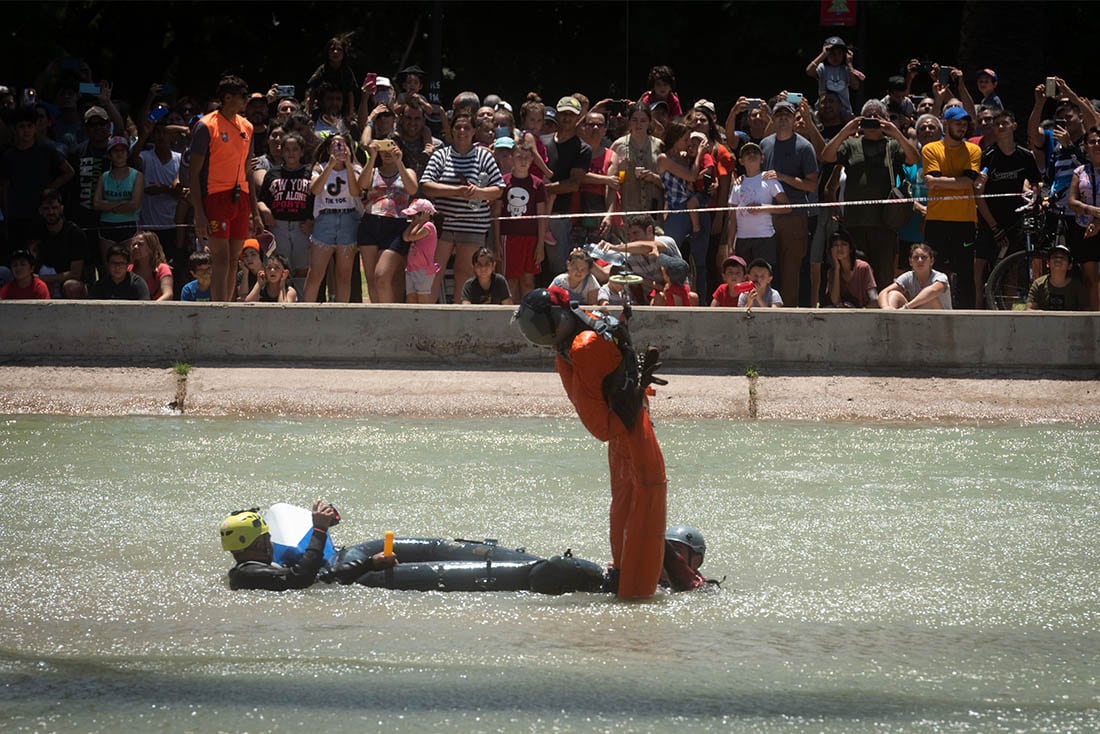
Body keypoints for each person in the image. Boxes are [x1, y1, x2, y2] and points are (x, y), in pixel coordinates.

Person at [514, 287, 668, 598]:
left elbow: (601, 428)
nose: (540, 337)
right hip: (631, 429)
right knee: (626, 504)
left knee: (640, 503)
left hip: (628, 432)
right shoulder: (590, 325)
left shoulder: (583, 347)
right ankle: (624, 581)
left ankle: (634, 601)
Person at [820, 100, 920, 293]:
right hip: (855, 222)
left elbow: (914, 159)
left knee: (883, 277)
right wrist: (845, 131)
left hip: (885, 222)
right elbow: (826, 156)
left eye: (877, 116)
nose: (873, 119)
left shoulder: (892, 145)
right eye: (869, 115)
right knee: (857, 274)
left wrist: (895, 132)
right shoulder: (851, 144)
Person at [189, 75, 263, 302]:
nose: (245, 101)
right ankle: (217, 309)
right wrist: (199, 213)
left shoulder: (247, 127)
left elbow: (248, 171)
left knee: (233, 259)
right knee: (220, 258)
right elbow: (193, 172)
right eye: (242, 96)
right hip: (215, 197)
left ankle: (227, 306)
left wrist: (255, 212)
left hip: (241, 197)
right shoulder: (206, 125)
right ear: (227, 97)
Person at [419, 112, 505, 303]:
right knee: (433, 271)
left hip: (473, 224)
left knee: (464, 273)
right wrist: (456, 191)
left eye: (467, 127)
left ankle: (459, 319)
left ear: (474, 131)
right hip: (443, 225)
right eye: (458, 127)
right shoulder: (441, 154)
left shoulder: (485, 157)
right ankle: (426, 316)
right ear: (451, 130)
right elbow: (426, 185)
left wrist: (478, 193)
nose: (462, 131)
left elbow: (498, 189)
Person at [220, 501, 384, 591]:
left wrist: (369, 564)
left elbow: (319, 576)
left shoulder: (256, 569)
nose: (271, 542)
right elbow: (302, 578)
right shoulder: (248, 574)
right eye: (267, 537)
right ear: (257, 544)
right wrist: (319, 530)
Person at [975, 109, 1041, 309]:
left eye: (1004, 123)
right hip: (989, 222)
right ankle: (977, 310)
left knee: (1011, 271)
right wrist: (994, 228)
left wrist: (1032, 195)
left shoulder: (1026, 156)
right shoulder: (988, 156)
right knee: (978, 268)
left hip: (1015, 222)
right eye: (997, 124)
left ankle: (1008, 314)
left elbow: (1037, 184)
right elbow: (979, 195)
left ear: (1014, 126)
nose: (1000, 127)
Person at [922, 106, 982, 308]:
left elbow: (968, 182)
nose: (962, 127)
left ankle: (966, 312)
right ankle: (935, 309)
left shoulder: (973, 150)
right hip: (936, 219)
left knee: (965, 272)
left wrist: (941, 182)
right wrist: (958, 181)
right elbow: (931, 183)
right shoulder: (931, 149)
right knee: (936, 271)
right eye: (957, 123)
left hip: (964, 220)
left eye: (964, 124)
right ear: (945, 124)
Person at [760, 101, 819, 306]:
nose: (783, 118)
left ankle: (788, 314)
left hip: (794, 216)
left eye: (787, 115)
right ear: (773, 119)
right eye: (778, 115)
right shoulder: (764, 144)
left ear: (794, 119)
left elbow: (812, 185)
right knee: (766, 268)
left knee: (790, 270)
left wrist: (783, 177)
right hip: (766, 216)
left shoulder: (804, 146)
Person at [1, 106, 74, 251]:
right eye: (22, 126)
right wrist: (6, 215)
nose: (26, 130)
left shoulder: (47, 151)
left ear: (35, 128)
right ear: (15, 129)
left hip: (43, 214)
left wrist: (49, 189)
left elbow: (69, 172)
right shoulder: (8, 156)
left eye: (29, 126)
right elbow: (4, 187)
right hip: (17, 215)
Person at [356, 138, 418, 303]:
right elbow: (362, 184)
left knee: (382, 275)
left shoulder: (408, 171)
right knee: (371, 279)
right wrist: (372, 156)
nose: (387, 152)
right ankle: (379, 317)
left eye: (391, 146)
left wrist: (399, 162)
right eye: (384, 148)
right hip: (370, 222)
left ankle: (390, 318)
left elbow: (412, 188)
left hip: (396, 225)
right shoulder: (374, 170)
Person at [303, 133, 361, 303]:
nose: (339, 149)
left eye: (342, 145)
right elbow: (315, 190)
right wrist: (330, 165)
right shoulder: (319, 168)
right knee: (315, 273)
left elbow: (355, 192)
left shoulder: (355, 168)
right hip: (325, 219)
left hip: (348, 218)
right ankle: (305, 314)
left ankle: (341, 313)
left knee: (344, 275)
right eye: (335, 145)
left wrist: (348, 165)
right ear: (328, 149)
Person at [656, 123, 712, 290]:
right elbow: (691, 176)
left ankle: (699, 298)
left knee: (699, 260)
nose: (688, 143)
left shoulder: (685, 156)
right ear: (675, 139)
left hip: (694, 206)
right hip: (677, 211)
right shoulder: (664, 159)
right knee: (669, 256)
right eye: (685, 139)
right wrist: (700, 153)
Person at [257, 131, 313, 294]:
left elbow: (317, 200)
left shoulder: (309, 174)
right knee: (276, 267)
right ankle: (276, 299)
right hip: (277, 226)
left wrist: (311, 221)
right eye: (287, 149)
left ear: (302, 152)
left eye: (295, 149)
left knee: (302, 269)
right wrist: (264, 209)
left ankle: (301, 303)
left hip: (301, 227)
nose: (291, 153)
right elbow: (261, 199)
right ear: (281, 151)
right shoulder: (272, 174)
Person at [493, 137, 547, 301]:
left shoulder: (538, 184)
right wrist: (496, 243)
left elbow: (541, 216)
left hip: (531, 238)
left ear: (532, 159)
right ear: (512, 158)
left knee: (528, 281)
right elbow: (496, 214)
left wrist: (540, 245)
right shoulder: (503, 182)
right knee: (511, 281)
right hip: (509, 237)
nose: (523, 161)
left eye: (526, 157)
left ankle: (528, 314)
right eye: (519, 157)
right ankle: (510, 315)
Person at [722, 141, 789, 269]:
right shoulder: (738, 184)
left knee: (764, 277)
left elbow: (787, 207)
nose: (751, 154)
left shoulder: (769, 179)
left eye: (755, 152)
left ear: (762, 158)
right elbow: (732, 218)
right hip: (742, 239)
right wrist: (730, 246)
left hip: (765, 238)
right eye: (747, 153)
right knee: (745, 277)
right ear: (741, 161)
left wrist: (763, 208)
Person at [93, 135, 143, 267]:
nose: (119, 154)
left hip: (129, 225)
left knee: (130, 265)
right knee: (109, 265)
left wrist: (109, 206)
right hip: (107, 226)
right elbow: (97, 203)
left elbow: (135, 204)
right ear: (110, 155)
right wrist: (122, 204)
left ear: (127, 153)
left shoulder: (136, 175)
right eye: (115, 151)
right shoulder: (104, 177)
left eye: (122, 150)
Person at [1066, 125, 1100, 311]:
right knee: (1090, 279)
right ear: (1086, 146)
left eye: (1099, 141)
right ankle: (1096, 321)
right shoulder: (1080, 171)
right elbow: (1072, 202)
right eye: (1092, 142)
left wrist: (1099, 222)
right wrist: (1093, 211)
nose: (1097, 145)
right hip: (1085, 229)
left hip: (1096, 226)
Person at [27, 188, 84, 298]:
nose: (51, 212)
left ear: (61, 209)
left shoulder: (75, 233)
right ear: (40, 210)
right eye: (46, 209)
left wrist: (43, 279)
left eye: (54, 208)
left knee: (71, 286)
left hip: (65, 282)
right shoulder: (35, 232)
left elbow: (75, 273)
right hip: (41, 280)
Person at [879, 242, 952, 309]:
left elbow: (932, 291)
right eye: (916, 257)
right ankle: (889, 319)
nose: (919, 260)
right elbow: (885, 292)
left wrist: (906, 307)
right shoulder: (908, 276)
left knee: (930, 299)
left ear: (931, 261)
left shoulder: (940, 277)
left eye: (924, 257)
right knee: (893, 294)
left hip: (941, 320)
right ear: (910, 262)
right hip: (915, 316)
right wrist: (886, 307)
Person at [805, 36, 863, 116]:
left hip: (843, 111)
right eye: (832, 53)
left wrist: (849, 64)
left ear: (844, 55)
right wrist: (823, 55)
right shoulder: (822, 68)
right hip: (824, 110)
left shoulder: (846, 69)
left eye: (839, 53)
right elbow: (809, 71)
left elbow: (855, 86)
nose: (836, 56)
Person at [1026, 243, 1089, 311]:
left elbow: (1085, 312)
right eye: (1054, 257)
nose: (1058, 259)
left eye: (1062, 257)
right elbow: (1029, 310)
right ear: (1048, 263)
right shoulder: (1038, 284)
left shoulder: (1077, 286)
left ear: (1069, 266)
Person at [825, 230, 878, 308]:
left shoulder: (863, 267)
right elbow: (835, 301)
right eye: (835, 245)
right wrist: (837, 269)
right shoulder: (832, 272)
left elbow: (874, 299)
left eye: (843, 244)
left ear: (850, 249)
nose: (839, 248)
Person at [401, 198, 439, 304]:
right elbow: (406, 237)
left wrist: (421, 222)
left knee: (422, 299)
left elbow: (412, 237)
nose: (411, 219)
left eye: (414, 216)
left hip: (423, 269)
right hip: (412, 268)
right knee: (411, 298)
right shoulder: (417, 226)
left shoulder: (429, 227)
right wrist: (414, 223)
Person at [129, 230, 174, 301]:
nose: (135, 247)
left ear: (151, 248)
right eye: (133, 244)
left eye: (140, 244)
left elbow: (168, 294)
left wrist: (151, 308)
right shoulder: (129, 269)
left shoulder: (162, 269)